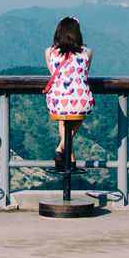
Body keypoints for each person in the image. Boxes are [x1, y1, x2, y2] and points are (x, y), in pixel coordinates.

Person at [43, 16, 93, 168]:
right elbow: (83, 75)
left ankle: (62, 148)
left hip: (57, 100)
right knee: (77, 111)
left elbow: (54, 73)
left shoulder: (50, 52)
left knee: (63, 115)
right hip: (81, 101)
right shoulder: (87, 52)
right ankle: (68, 154)